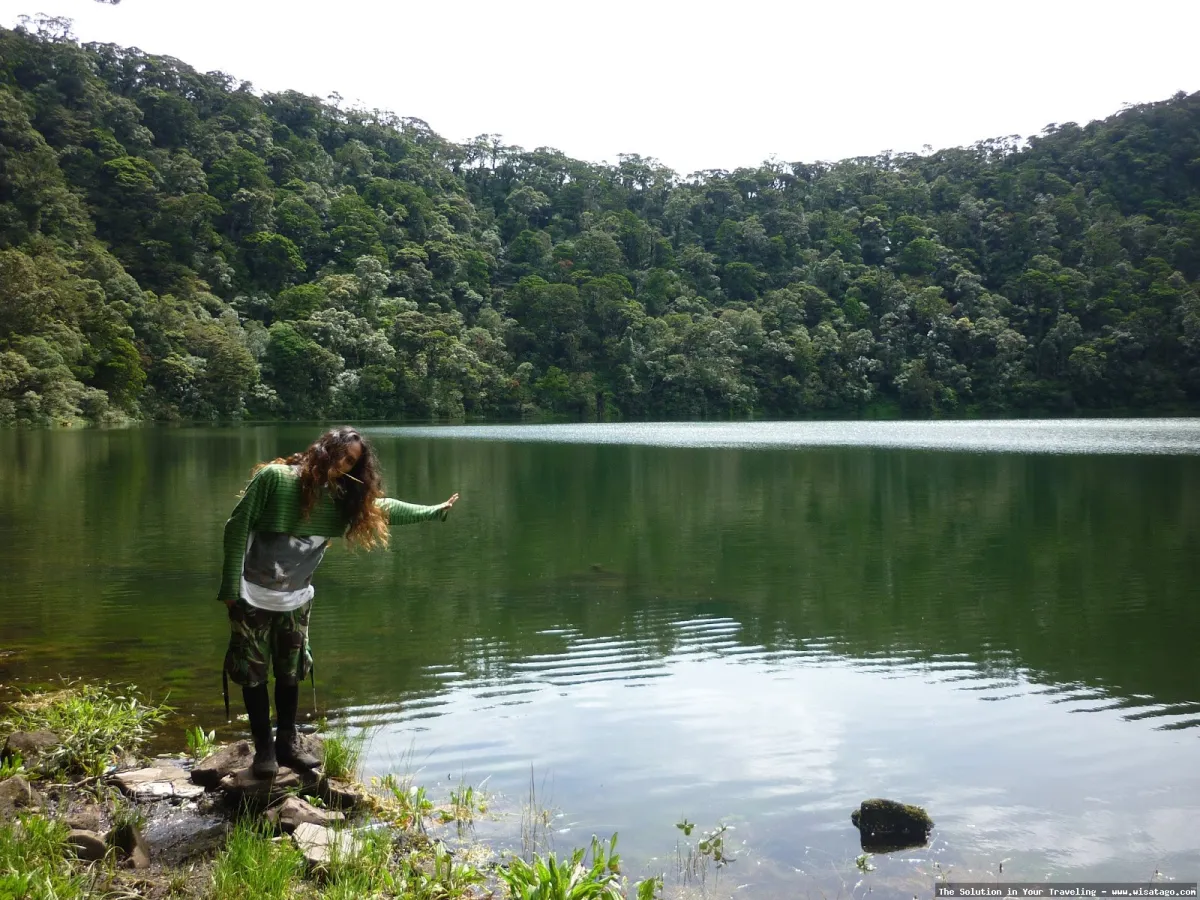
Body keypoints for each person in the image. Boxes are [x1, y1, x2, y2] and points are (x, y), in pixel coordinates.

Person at [216, 426, 458, 777]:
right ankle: (263, 753)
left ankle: (287, 743)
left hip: (296, 601)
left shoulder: (342, 500)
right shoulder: (276, 478)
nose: (343, 464)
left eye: (351, 462)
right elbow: (236, 526)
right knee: (252, 674)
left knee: (290, 671)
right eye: (341, 455)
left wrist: (434, 510)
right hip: (251, 596)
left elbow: (383, 508)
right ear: (323, 448)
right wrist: (229, 589)